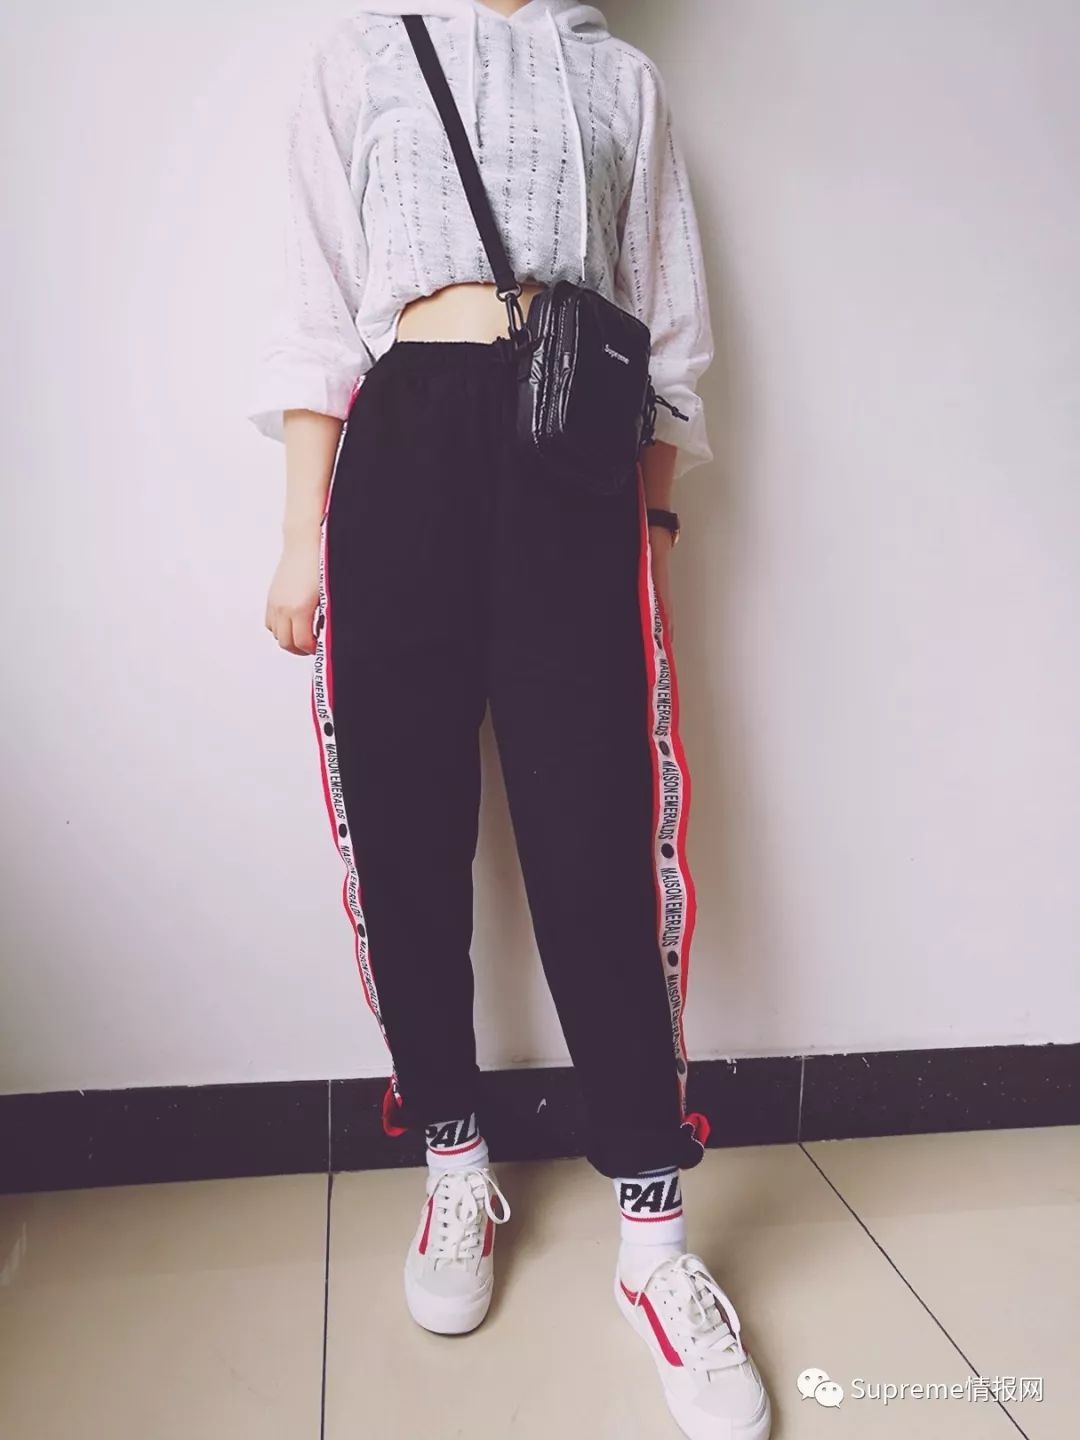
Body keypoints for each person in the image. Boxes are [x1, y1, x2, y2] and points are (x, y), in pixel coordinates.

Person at [249, 3, 771, 1436]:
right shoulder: (360, 59)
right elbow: (315, 312)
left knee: (596, 835)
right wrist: (298, 536)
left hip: (570, 461)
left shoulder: (618, 77)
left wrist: (644, 526)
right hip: (399, 446)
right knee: (404, 831)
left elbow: (667, 326)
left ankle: (655, 1243)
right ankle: (453, 1162)